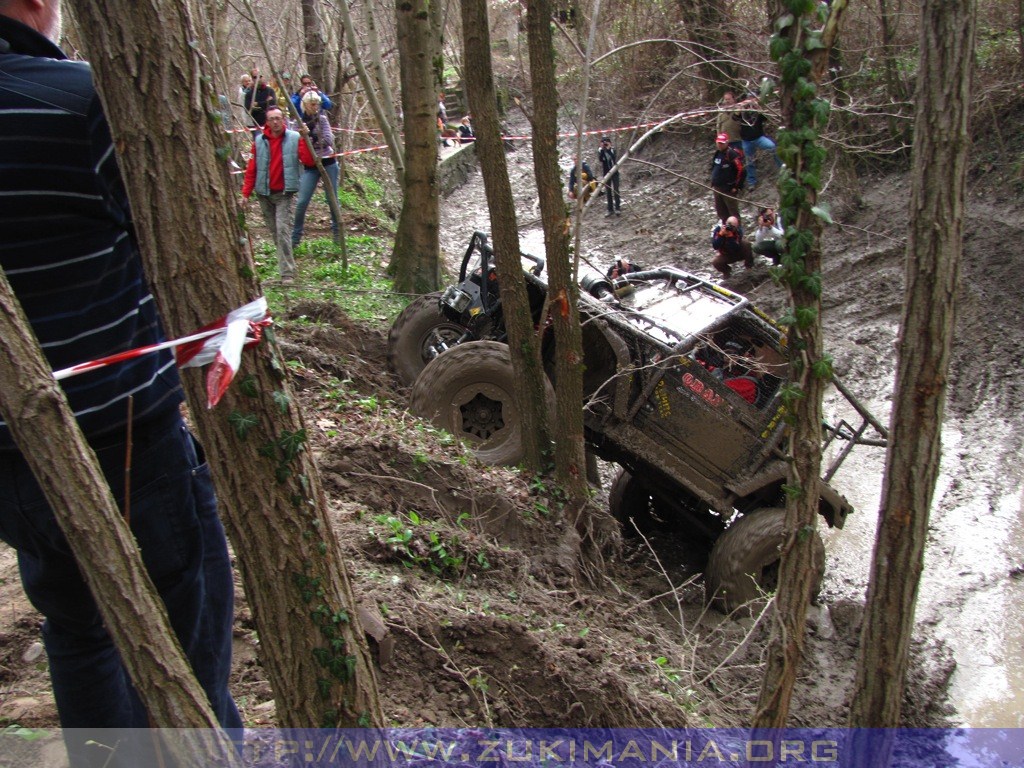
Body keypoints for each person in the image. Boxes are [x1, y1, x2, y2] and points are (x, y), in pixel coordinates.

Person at [0, 1, 241, 764]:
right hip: (121, 432)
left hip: (12, 449)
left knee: (76, 623)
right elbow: (171, 237)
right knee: (184, 618)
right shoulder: (75, 102)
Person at [242, 105, 314, 284]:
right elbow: (252, 169)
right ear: (266, 122)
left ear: (283, 120)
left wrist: (306, 138)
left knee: (283, 231)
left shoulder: (295, 138)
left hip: (285, 193)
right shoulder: (259, 141)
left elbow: (308, 161)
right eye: (272, 119)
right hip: (264, 193)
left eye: (278, 118)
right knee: (275, 233)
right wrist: (245, 194)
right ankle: (284, 267)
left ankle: (287, 273)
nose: (275, 122)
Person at [291, 91, 339, 248]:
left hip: (328, 162)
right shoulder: (297, 123)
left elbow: (328, 139)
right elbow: (294, 143)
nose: (316, 106)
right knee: (302, 201)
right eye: (312, 103)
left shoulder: (323, 119)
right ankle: (295, 238)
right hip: (310, 166)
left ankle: (338, 235)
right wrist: (303, 136)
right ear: (305, 104)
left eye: (317, 103)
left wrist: (310, 135)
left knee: (332, 199)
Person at [738, 95, 781, 193]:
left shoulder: (757, 112)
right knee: (749, 161)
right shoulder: (742, 113)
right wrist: (740, 109)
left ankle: (782, 170)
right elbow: (734, 117)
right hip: (746, 140)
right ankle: (751, 182)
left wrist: (758, 108)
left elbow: (766, 117)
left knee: (773, 147)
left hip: (759, 138)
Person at [710, 132, 745, 224]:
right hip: (717, 188)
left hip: (728, 189)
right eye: (718, 143)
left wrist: (736, 187)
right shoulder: (717, 153)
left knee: (733, 214)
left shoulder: (732, 154)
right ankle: (725, 231)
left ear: (727, 143)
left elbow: (741, 170)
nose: (720, 145)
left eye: (722, 143)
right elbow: (714, 167)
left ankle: (737, 233)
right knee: (721, 212)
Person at [597, 135, 622, 217]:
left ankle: (618, 208)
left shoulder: (613, 149)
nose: (604, 144)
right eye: (603, 142)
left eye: (606, 142)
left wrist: (608, 149)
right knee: (608, 192)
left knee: (616, 190)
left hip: (614, 172)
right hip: (606, 173)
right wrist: (603, 150)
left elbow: (614, 158)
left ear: (610, 143)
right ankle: (610, 209)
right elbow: (601, 159)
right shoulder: (600, 150)